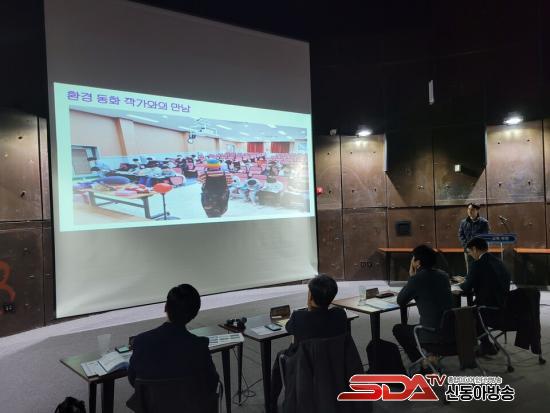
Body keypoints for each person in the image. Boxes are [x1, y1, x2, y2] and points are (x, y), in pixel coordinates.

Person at [127, 284, 219, 409]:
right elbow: (211, 383)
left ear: (165, 307)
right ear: (194, 314)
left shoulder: (140, 341)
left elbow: (133, 379)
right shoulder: (199, 346)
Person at [270, 274, 347, 412]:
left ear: (310, 297)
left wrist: (309, 309)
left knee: (280, 356)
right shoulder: (340, 315)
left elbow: (289, 327)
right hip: (333, 362)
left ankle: (271, 404)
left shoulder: (299, 318)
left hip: (305, 367)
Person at [392, 245, 453, 369]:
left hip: (431, 334)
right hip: (449, 331)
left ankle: (422, 362)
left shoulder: (417, 279)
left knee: (398, 329)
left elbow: (401, 301)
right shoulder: (444, 276)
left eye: (413, 259)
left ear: (417, 262)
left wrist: (411, 277)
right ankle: (431, 356)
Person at [455, 237, 511, 355]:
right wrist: (467, 279)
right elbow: (488, 279)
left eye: (469, 252)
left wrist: (460, 284)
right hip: (505, 308)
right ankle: (486, 345)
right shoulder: (498, 262)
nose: (470, 255)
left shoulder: (477, 264)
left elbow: (466, 288)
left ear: (474, 249)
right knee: (474, 309)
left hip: (488, 310)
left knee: (466, 314)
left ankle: (483, 346)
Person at [458, 203, 489, 272]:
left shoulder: (484, 222)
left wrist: (477, 247)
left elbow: (485, 236)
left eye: (472, 209)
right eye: (468, 209)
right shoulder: (463, 222)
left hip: (480, 250)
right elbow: (461, 235)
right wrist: (467, 245)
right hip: (468, 249)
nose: (470, 211)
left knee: (481, 269)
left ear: (477, 210)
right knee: (469, 269)